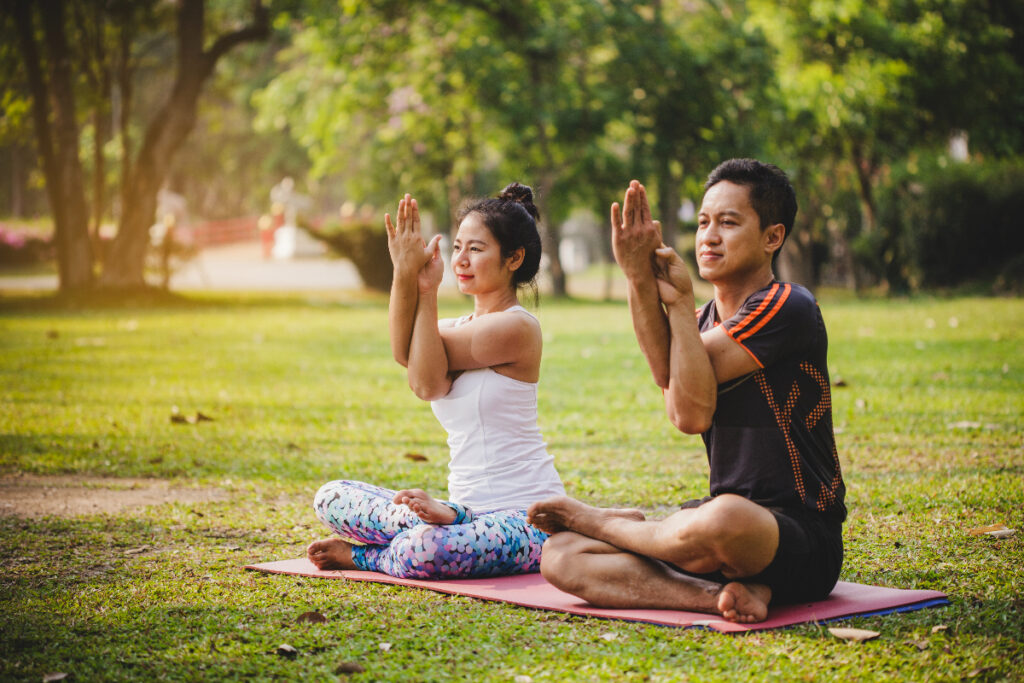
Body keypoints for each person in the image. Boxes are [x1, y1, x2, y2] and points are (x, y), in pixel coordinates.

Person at [528, 159, 846, 623]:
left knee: (725, 518)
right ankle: (720, 596)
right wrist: (638, 278)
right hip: (715, 543)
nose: (708, 237)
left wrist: (675, 302)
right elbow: (686, 413)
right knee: (561, 557)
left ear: (772, 238)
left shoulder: (787, 305)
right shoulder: (698, 322)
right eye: (702, 223)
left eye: (729, 223)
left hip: (796, 537)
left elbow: (690, 386)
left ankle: (606, 522)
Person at [307, 183, 565, 579]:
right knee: (332, 496)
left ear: (514, 258)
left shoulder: (517, 328)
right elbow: (404, 352)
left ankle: (367, 558)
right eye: (458, 246)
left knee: (426, 547)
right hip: (459, 515)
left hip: (525, 519)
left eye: (476, 249)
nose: (461, 259)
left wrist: (426, 290)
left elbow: (426, 383)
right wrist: (404, 270)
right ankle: (445, 521)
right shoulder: (455, 329)